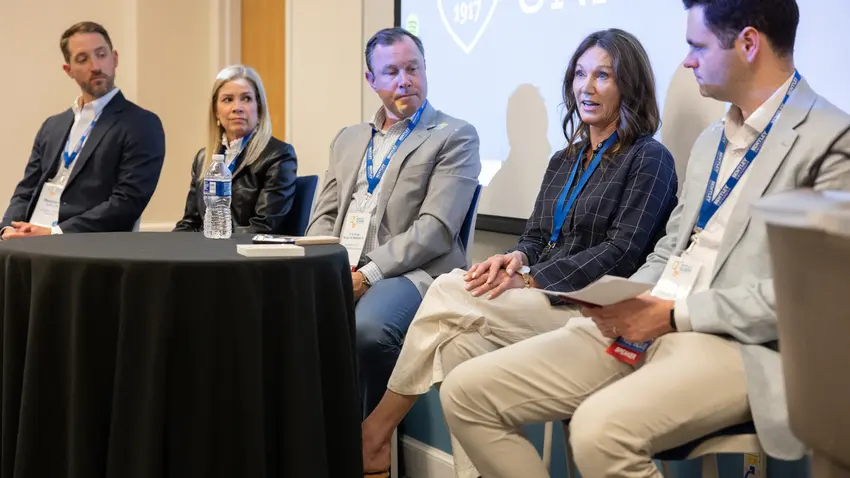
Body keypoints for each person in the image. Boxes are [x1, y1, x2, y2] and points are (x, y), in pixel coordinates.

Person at [438, 1, 850, 477]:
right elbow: (670, 249)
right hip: (653, 319)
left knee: (596, 432)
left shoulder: (831, 139)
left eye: (697, 46)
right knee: (466, 393)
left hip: (736, 342)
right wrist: (628, 300)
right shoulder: (711, 141)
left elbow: (812, 303)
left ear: (749, 43)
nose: (688, 60)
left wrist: (675, 314)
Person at [362, 29, 679, 477]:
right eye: (580, 75)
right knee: (458, 347)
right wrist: (513, 260)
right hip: (537, 303)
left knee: (451, 287)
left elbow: (622, 253)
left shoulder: (650, 158)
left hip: (591, 313)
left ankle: (376, 429)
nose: (587, 87)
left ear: (630, 85)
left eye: (603, 76)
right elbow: (533, 236)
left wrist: (532, 278)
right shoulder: (563, 160)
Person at [305, 28, 481, 420]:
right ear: (371, 80)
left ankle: (370, 448)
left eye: (412, 68)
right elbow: (325, 215)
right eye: (391, 72)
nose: (405, 80)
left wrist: (366, 274)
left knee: (366, 331)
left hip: (412, 272)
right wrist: (322, 266)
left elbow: (435, 228)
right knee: (283, 316)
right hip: (345, 266)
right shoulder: (348, 139)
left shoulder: (454, 135)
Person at [0, 21, 165, 238]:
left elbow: (127, 202)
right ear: (68, 70)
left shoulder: (141, 123)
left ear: (114, 59)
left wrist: (54, 232)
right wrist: (7, 228)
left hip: (84, 246)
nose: (95, 66)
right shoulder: (52, 126)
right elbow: (26, 189)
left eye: (101, 54)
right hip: (30, 239)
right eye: (82, 59)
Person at [174, 65, 297, 233]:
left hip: (247, 255)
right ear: (216, 111)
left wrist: (215, 242)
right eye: (227, 99)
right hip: (208, 252)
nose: (237, 107)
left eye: (246, 99)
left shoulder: (278, 155)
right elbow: (190, 223)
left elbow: (263, 226)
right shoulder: (203, 158)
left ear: (259, 108)